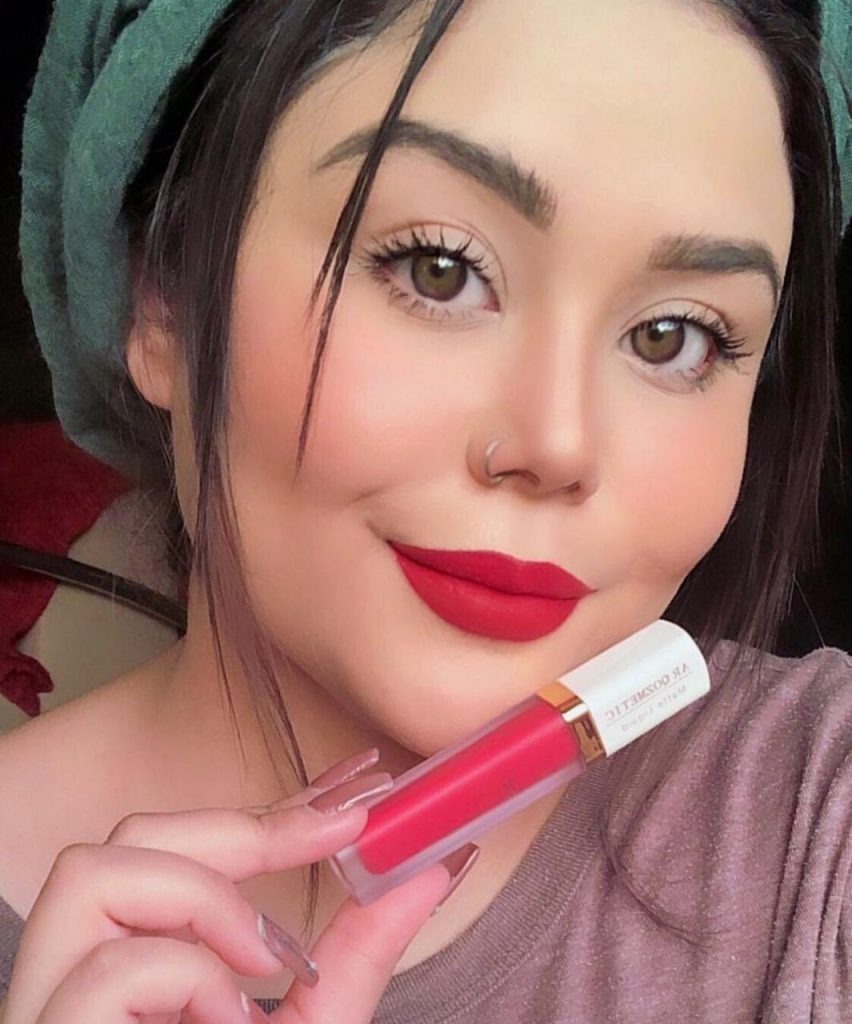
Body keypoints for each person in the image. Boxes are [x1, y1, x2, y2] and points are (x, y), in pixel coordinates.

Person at [1, 0, 851, 1020]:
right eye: (438, 268)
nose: (558, 444)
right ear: (162, 301)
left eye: (676, 335)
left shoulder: (819, 817)